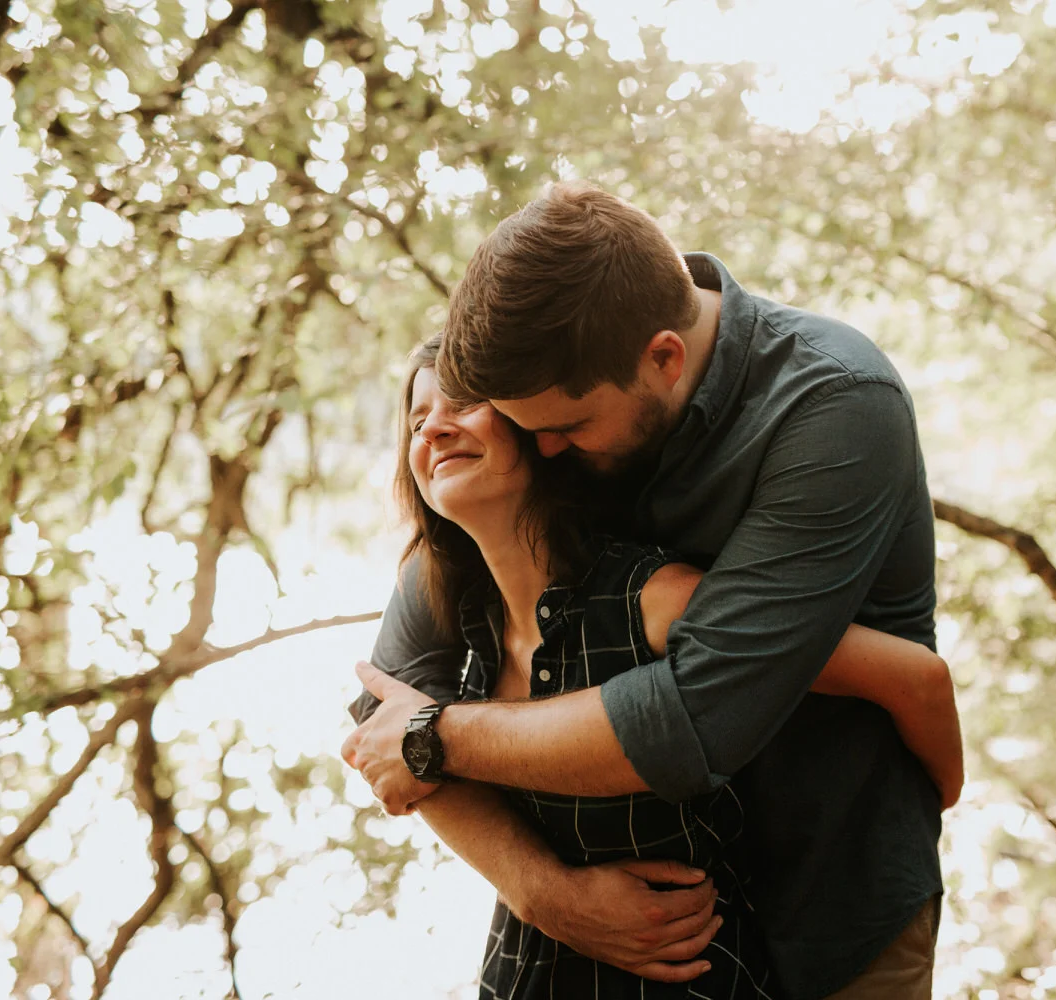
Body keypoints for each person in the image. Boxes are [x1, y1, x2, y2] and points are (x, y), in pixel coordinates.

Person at [343, 182, 956, 999]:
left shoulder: (833, 405)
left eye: (562, 425)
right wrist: (545, 894)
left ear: (663, 357)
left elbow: (696, 717)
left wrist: (436, 737)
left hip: (831, 900)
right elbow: (384, 718)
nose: (546, 447)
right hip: (624, 934)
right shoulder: (562, 402)